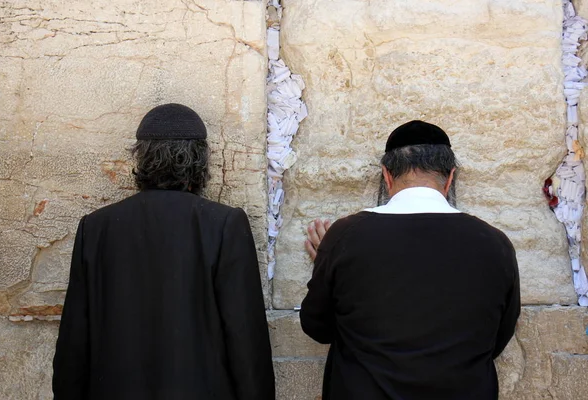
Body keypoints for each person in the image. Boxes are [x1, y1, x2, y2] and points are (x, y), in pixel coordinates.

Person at [53, 103, 275, 400]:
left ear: (142, 157)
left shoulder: (96, 228)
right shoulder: (224, 225)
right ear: (200, 159)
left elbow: (73, 345)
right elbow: (246, 342)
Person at [301, 120, 520, 400]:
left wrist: (328, 260)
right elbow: (498, 337)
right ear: (450, 178)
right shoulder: (495, 243)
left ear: (387, 176)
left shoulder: (345, 236)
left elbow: (317, 326)